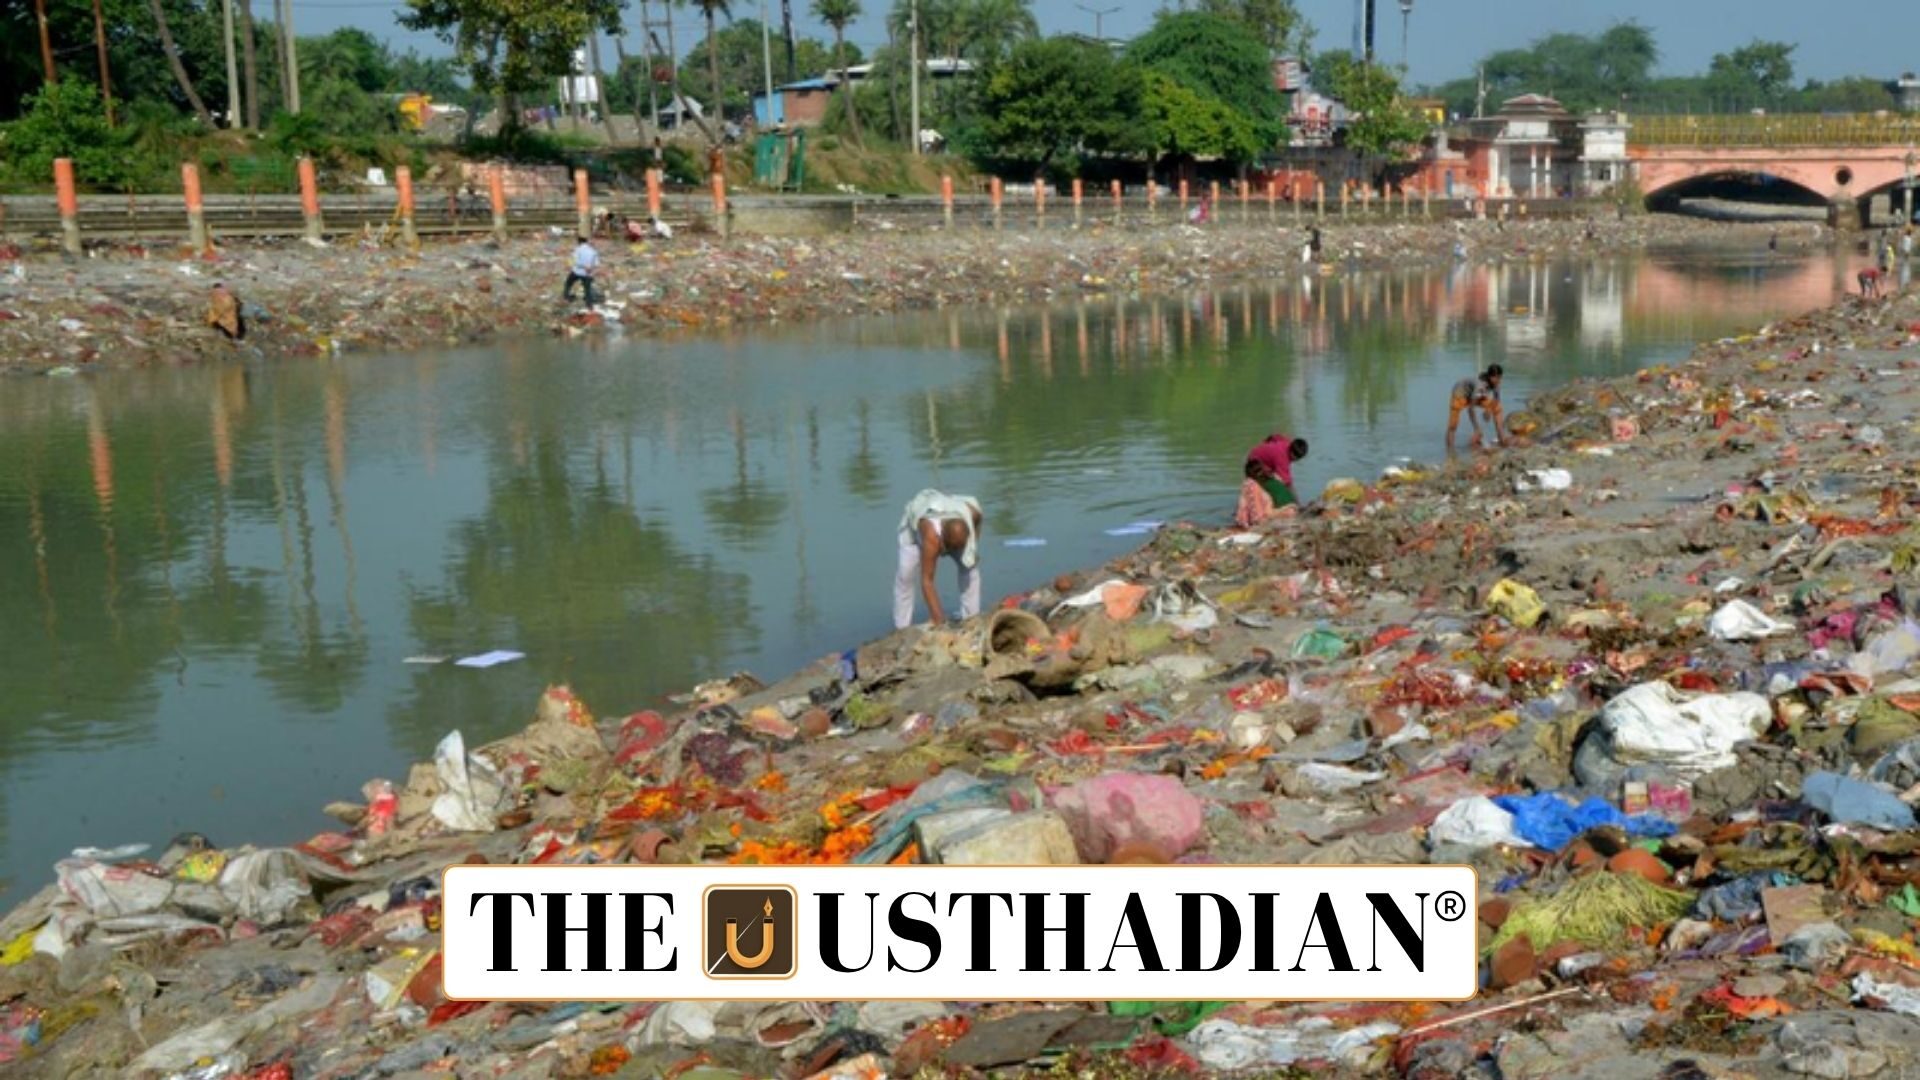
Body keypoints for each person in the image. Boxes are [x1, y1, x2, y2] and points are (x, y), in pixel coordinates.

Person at [893, 489, 984, 630]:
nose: (952, 552)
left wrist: (973, 546)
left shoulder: (971, 514)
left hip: (953, 532)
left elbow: (978, 519)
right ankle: (902, 628)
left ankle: (971, 618)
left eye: (957, 547)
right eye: (950, 547)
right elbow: (927, 581)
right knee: (906, 576)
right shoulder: (931, 536)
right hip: (913, 535)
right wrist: (940, 622)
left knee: (970, 568)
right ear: (944, 539)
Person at [1238, 435, 1308, 527]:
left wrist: (1265, 446)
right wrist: (1297, 503)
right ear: (1291, 450)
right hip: (1255, 462)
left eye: (1297, 458)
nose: (1294, 460)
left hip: (1261, 460)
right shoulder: (1282, 458)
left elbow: (1274, 436)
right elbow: (1288, 484)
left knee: (1269, 486)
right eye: (1294, 457)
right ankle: (1254, 511)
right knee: (1257, 489)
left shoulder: (1287, 443)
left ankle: (1257, 507)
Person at [1447, 365, 1507, 450]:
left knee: (1498, 408)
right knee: (1452, 426)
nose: (1498, 381)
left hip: (1475, 395)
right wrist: (1476, 428)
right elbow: (1471, 409)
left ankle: (1501, 438)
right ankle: (1450, 452)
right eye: (1496, 378)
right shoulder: (1480, 386)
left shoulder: (1496, 383)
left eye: (1500, 378)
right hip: (1460, 393)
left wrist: (1489, 410)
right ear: (1490, 377)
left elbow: (1496, 400)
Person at [563, 236, 600, 307]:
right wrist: (590, 268)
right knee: (587, 291)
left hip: (577, 272)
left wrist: (584, 267)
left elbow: (575, 261)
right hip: (588, 274)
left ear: (579, 242)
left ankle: (566, 297)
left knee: (568, 283)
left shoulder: (578, 249)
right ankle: (589, 306)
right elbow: (596, 264)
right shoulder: (594, 251)